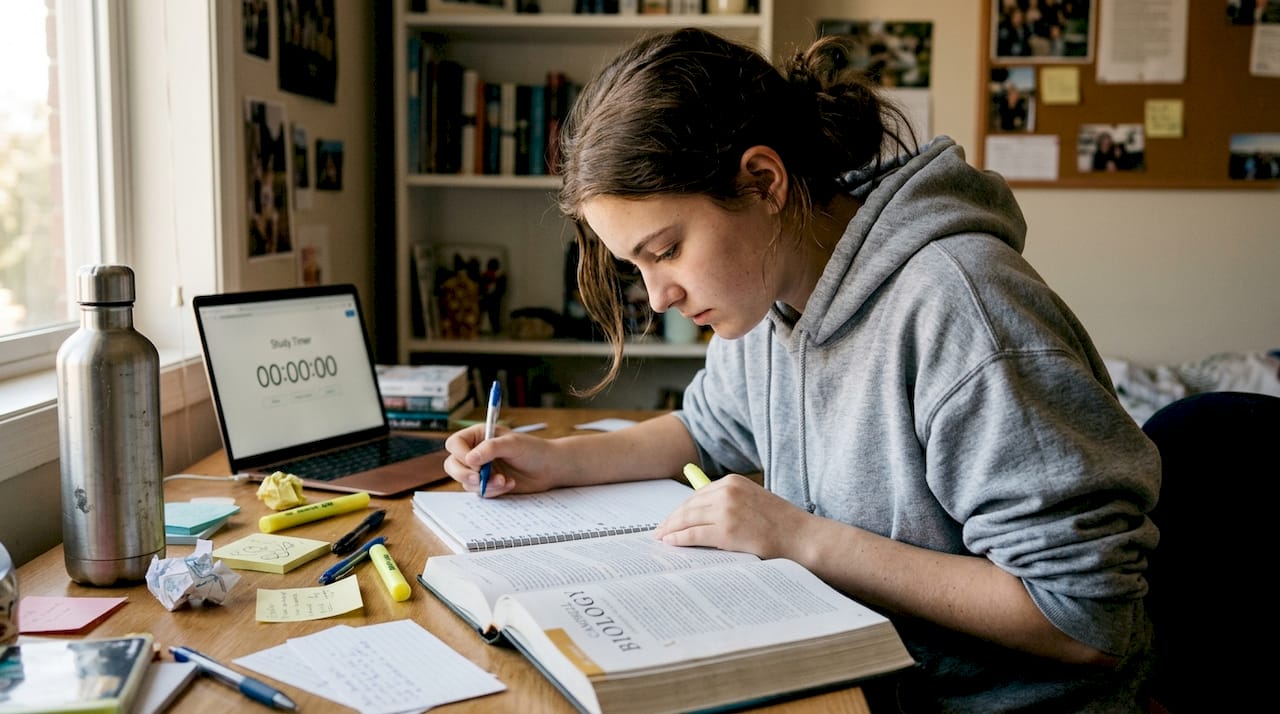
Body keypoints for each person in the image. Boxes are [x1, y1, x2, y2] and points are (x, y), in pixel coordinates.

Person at [444, 28, 1159, 712]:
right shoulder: (771, 290)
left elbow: (1086, 619)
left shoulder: (962, 312)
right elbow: (703, 431)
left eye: (665, 250)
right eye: (635, 265)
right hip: (858, 679)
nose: (657, 296)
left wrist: (802, 540)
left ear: (762, 181)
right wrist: (555, 461)